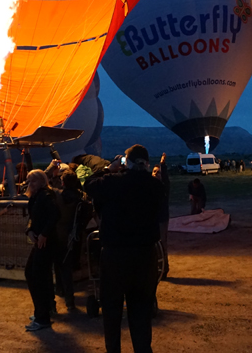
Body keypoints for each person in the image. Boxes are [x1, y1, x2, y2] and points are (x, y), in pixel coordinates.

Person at [84, 144, 163, 353]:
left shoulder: (112, 182)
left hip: (115, 256)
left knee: (112, 311)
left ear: (126, 163)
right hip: (145, 256)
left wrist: (108, 169)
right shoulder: (155, 186)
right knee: (141, 312)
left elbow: (88, 185)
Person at [24, 169, 60, 331]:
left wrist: (44, 234)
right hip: (41, 239)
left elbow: (54, 215)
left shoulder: (45, 196)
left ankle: (42, 315)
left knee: (37, 276)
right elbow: (34, 218)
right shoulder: (38, 196)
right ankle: (43, 310)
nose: (30, 184)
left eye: (33, 181)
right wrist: (30, 230)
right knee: (34, 274)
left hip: (45, 242)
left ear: (41, 181)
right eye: (29, 181)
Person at [53, 170, 87, 310]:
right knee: (67, 265)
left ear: (63, 182)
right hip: (75, 235)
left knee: (60, 265)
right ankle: (67, 296)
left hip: (60, 234)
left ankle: (65, 294)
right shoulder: (82, 196)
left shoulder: (59, 197)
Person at [152, 153, 170, 279]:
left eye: (158, 172)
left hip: (162, 218)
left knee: (162, 242)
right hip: (152, 219)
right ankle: (156, 268)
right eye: (154, 172)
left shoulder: (163, 188)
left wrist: (162, 164)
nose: (155, 174)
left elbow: (166, 180)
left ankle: (164, 268)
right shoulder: (149, 186)